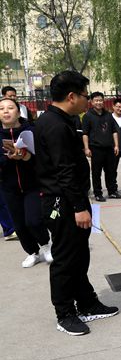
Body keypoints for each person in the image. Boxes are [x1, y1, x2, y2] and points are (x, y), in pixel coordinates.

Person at [34, 70, 119, 336]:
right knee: (65, 259)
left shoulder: (64, 120)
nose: (87, 100)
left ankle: (87, 302)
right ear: (71, 96)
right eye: (85, 95)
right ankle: (65, 313)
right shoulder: (54, 125)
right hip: (63, 203)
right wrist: (79, 208)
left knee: (80, 255)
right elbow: (64, 171)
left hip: (75, 198)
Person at [0, 98, 52, 267]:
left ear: (18, 112)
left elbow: (43, 158)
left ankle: (46, 245)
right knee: (19, 225)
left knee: (33, 220)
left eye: (10, 108)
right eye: (1, 108)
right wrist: (8, 158)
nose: (5, 111)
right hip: (9, 188)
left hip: (32, 185)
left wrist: (26, 156)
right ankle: (32, 252)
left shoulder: (31, 131)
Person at [82, 92, 121, 201]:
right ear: (91, 102)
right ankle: (98, 193)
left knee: (111, 171)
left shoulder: (108, 115)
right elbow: (85, 134)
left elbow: (114, 131)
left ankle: (112, 191)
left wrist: (116, 145)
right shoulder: (87, 116)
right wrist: (86, 148)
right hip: (95, 148)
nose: (99, 102)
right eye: (96, 100)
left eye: (100, 100)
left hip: (109, 148)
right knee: (96, 173)